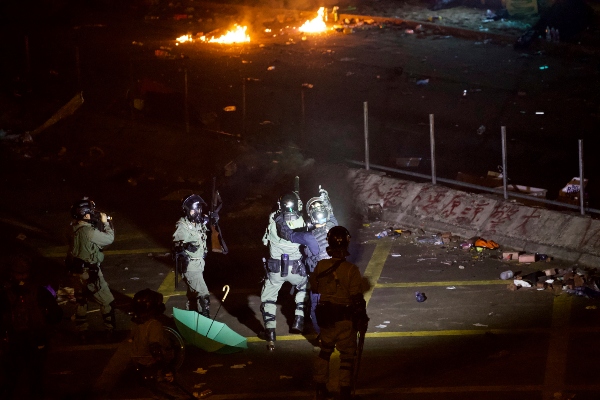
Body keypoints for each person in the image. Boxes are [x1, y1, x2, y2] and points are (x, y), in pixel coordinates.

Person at [309, 226, 368, 400]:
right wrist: (362, 318)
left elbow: (314, 287)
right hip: (344, 318)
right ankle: (344, 391)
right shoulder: (351, 270)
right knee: (348, 355)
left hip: (326, 317)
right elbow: (357, 298)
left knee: (325, 351)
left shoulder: (320, 266)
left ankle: (320, 388)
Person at [260, 192, 319, 350]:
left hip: (275, 269)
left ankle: (270, 332)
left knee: (268, 299)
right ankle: (299, 318)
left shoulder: (273, 218)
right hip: (295, 268)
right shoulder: (301, 221)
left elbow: (264, 241)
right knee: (304, 287)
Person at [0, 253, 63, 399]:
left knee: (16, 379)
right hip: (25, 341)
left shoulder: (9, 294)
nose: (21, 278)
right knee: (32, 378)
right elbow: (56, 315)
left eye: (23, 273)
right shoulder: (38, 291)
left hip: (25, 341)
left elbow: (55, 314)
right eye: (19, 274)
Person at [66, 198, 116, 341]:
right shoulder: (88, 232)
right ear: (85, 214)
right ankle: (110, 331)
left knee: (81, 301)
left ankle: (82, 332)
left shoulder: (72, 229)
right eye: (91, 212)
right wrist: (106, 222)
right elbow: (109, 239)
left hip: (76, 273)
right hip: (90, 273)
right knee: (108, 302)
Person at [130, 288, 192, 400]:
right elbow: (155, 349)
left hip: (144, 371)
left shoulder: (138, 325)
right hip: (156, 371)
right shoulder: (154, 325)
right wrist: (167, 370)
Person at [303, 187, 338, 335]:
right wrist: (325, 200)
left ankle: (323, 337)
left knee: (315, 309)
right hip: (338, 275)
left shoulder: (309, 237)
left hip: (320, 279)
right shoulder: (335, 228)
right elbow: (331, 217)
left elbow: (307, 256)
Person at [173, 194, 210, 318]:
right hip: (190, 265)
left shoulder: (197, 222)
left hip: (199, 264)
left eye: (199, 210)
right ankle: (205, 320)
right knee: (203, 293)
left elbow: (206, 224)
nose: (197, 213)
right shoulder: (182, 226)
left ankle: (192, 315)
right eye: (194, 210)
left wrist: (213, 219)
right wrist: (185, 246)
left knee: (193, 294)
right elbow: (176, 244)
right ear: (188, 211)